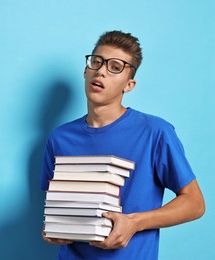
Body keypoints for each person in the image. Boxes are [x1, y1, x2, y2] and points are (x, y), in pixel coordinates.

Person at [40, 30, 205, 259]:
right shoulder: (59, 138)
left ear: (129, 85)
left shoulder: (155, 132)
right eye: (96, 62)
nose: (101, 71)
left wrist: (134, 222)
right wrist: (54, 228)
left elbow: (195, 203)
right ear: (85, 71)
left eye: (115, 67)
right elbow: (54, 208)